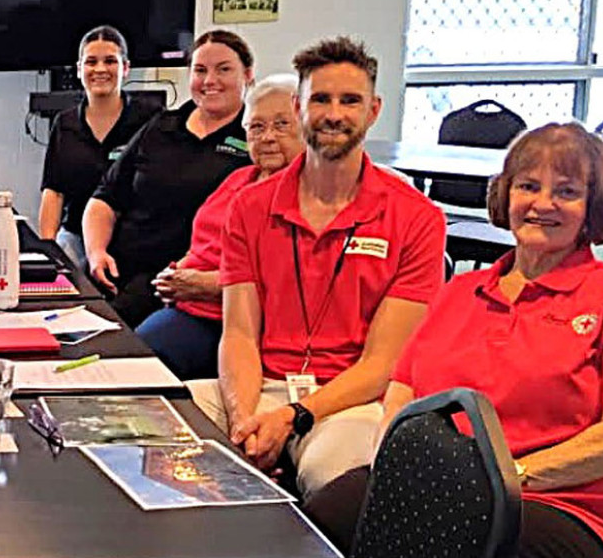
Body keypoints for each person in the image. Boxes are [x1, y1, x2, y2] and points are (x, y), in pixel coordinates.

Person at [305, 122, 603, 558]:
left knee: (437, 545)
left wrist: (503, 481)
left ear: (593, 208)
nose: (543, 204)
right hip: (442, 491)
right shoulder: (461, 292)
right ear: (505, 195)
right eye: (528, 186)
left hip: (566, 510)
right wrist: (395, 467)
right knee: (323, 516)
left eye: (566, 192)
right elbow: (403, 390)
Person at [189, 36, 446, 499]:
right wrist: (244, 419)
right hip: (258, 388)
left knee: (335, 478)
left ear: (373, 110)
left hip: (349, 400)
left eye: (350, 101)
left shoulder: (417, 218)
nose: (333, 114)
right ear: (299, 106)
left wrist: (293, 417)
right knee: (154, 437)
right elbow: (240, 335)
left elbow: (382, 365)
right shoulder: (248, 206)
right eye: (320, 99)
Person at [135, 74, 306, 380]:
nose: (267, 137)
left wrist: (201, 284)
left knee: (142, 364)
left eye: (282, 125)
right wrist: (178, 272)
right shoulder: (240, 178)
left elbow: (282, 279)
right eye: (256, 126)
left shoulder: (306, 192)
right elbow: (203, 240)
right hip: (188, 302)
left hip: (232, 320)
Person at [82, 30, 255, 327]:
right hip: (114, 268)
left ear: (248, 75)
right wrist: (96, 253)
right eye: (200, 70)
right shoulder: (162, 125)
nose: (210, 80)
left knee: (97, 337)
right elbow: (105, 197)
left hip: (173, 282)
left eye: (223, 69)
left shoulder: (253, 141)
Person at [38, 26, 162, 271]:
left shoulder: (151, 120)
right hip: (74, 236)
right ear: (79, 69)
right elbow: (53, 193)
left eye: (110, 61)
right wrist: (48, 250)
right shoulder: (65, 124)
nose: (100, 69)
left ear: (125, 68)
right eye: (91, 62)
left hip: (131, 238)